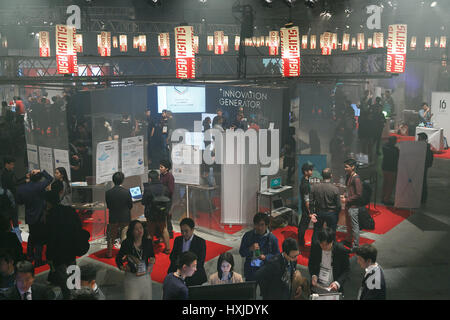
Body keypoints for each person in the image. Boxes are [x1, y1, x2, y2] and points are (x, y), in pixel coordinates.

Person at [44, 189, 85, 300]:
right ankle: (76, 292)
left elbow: (50, 237)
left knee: (62, 276)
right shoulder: (69, 210)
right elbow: (79, 226)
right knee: (72, 268)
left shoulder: (51, 215)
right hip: (72, 247)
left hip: (58, 251)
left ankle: (68, 296)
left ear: (48, 202)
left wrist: (49, 256)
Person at [16, 169, 53, 266]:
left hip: (29, 216)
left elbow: (19, 202)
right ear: (39, 178)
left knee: (31, 236)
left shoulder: (21, 188)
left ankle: (29, 256)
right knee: (39, 239)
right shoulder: (39, 186)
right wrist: (41, 171)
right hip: (40, 216)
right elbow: (50, 178)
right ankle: (38, 260)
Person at [116, 220, 155, 300]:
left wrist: (152, 262)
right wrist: (122, 267)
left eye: (141, 228)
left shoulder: (148, 242)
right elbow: (119, 258)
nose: (139, 231)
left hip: (145, 276)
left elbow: (152, 255)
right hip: (132, 277)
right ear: (132, 231)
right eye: (136, 229)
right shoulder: (127, 244)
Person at [308, 227, 350, 295]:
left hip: (333, 287)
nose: (324, 247)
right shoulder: (316, 246)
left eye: (326, 245)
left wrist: (337, 283)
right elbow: (311, 263)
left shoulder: (341, 250)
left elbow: (346, 269)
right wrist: (313, 275)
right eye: (321, 244)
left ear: (332, 241)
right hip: (317, 286)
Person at [239, 212, 280, 281]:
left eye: (262, 225)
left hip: (266, 271)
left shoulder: (272, 239)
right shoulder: (248, 236)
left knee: (265, 291)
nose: (259, 228)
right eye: (257, 225)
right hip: (250, 271)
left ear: (267, 225)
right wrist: (250, 249)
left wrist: (266, 257)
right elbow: (242, 253)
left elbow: (277, 256)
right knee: (250, 290)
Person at [168, 218, 207, 286]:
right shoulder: (178, 240)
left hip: (193, 272)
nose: (183, 233)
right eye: (182, 231)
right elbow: (172, 256)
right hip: (180, 270)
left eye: (186, 231)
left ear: (192, 230)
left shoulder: (200, 242)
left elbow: (200, 261)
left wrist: (189, 269)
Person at [142, 170, 171, 254]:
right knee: (164, 229)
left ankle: (149, 250)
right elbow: (168, 200)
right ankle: (168, 249)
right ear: (158, 177)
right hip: (162, 213)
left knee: (150, 232)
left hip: (151, 213)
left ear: (149, 179)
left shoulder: (148, 189)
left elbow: (143, 202)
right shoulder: (165, 188)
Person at [105, 172, 133, 258]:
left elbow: (108, 206)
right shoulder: (126, 192)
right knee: (124, 235)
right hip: (125, 216)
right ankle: (124, 254)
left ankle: (109, 253)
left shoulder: (108, 192)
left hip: (113, 216)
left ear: (113, 180)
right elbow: (130, 205)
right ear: (122, 180)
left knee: (111, 235)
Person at [310, 168, 341, 243]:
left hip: (319, 213)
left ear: (321, 176)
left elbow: (311, 202)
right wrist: (336, 214)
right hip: (331, 213)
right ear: (331, 176)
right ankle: (331, 251)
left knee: (316, 232)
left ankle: (314, 250)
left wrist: (312, 212)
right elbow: (338, 205)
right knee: (332, 233)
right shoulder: (335, 189)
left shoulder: (314, 187)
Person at [342, 159, 363, 249]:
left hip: (353, 206)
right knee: (349, 224)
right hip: (349, 205)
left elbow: (359, 194)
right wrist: (344, 195)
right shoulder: (348, 176)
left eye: (346, 167)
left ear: (353, 167)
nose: (345, 168)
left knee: (354, 226)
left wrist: (347, 199)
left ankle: (356, 246)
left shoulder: (356, 178)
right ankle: (348, 240)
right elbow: (348, 189)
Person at [1, 156, 25, 233]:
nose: (13, 166)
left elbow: (16, 181)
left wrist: (25, 178)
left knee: (14, 215)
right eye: (11, 164)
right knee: (12, 215)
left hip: (11, 197)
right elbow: (14, 184)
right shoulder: (4, 174)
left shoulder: (10, 173)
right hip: (8, 198)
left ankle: (15, 229)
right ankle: (14, 230)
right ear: (6, 164)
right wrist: (25, 181)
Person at [298, 163, 315, 248]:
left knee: (303, 224)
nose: (312, 171)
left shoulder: (304, 180)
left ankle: (300, 240)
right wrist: (310, 211)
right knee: (303, 225)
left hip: (305, 207)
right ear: (305, 172)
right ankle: (300, 242)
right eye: (310, 170)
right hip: (306, 208)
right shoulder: (305, 184)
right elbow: (307, 200)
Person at [381, 136, 399, 206]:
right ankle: (387, 199)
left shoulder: (384, 147)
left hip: (385, 167)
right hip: (392, 168)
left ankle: (383, 197)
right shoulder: (395, 150)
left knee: (385, 183)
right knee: (390, 184)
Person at [160, 160, 175, 239]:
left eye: (161, 167)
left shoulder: (170, 176)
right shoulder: (161, 175)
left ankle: (170, 233)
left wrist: (163, 192)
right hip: (161, 200)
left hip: (167, 201)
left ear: (166, 168)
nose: (160, 168)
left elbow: (171, 190)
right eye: (160, 167)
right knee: (163, 217)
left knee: (167, 217)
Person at [418, 133, 434, 204]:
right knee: (422, 181)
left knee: (422, 182)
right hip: (422, 166)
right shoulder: (426, 146)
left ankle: (422, 198)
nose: (418, 139)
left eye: (419, 138)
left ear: (422, 138)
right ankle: (422, 198)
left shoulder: (425, 147)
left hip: (422, 166)